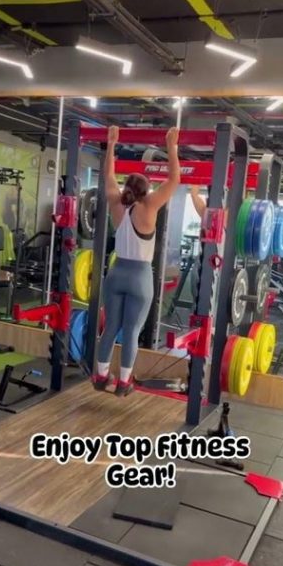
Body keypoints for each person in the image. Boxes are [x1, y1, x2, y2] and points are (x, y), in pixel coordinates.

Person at [92, 125, 182, 395]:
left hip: (116, 273)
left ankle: (100, 377)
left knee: (110, 328)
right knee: (131, 331)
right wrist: (171, 146)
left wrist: (111, 144)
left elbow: (108, 174)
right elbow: (174, 179)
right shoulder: (150, 206)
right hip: (140, 278)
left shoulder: (115, 202)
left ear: (127, 188)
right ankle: (123, 383)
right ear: (146, 191)